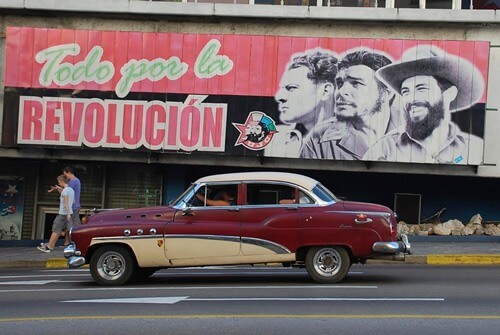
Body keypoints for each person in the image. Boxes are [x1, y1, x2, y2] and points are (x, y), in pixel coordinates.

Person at [364, 45, 484, 164]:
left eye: (421, 89)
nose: (411, 99)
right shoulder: (384, 149)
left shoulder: (473, 151)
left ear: (449, 94)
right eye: (405, 92)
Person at [301, 49, 394, 160]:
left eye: (356, 83)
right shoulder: (318, 139)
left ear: (385, 94)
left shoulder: (413, 133)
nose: (341, 91)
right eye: (340, 83)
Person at [264, 50, 338, 158]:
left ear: (325, 91)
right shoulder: (276, 138)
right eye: (283, 89)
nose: (279, 97)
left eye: (292, 88)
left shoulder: (356, 140)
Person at [38, 175, 74, 252]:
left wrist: (67, 214)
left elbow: (66, 203)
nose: (58, 183)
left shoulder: (65, 191)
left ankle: (49, 247)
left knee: (56, 229)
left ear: (62, 181)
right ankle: (51, 243)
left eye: (59, 182)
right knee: (62, 230)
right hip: (70, 213)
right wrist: (57, 188)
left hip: (63, 214)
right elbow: (73, 201)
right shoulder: (71, 190)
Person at [48, 166, 81, 246]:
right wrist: (58, 188)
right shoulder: (76, 181)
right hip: (74, 205)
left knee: (73, 226)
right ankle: (67, 242)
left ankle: (74, 242)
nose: (65, 176)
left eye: (65, 174)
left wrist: (58, 188)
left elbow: (67, 192)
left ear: (69, 173)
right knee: (69, 225)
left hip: (72, 206)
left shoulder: (73, 181)